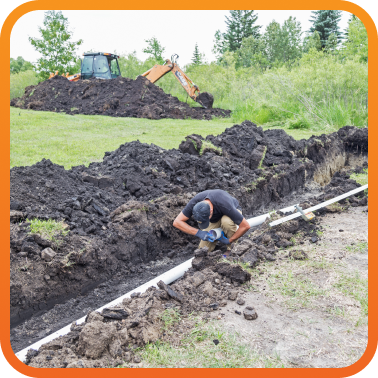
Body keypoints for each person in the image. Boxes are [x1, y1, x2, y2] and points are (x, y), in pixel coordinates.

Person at [173, 189, 250, 255]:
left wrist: (229, 240)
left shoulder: (224, 204)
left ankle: (232, 249)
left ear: (211, 211)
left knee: (226, 222)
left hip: (231, 213)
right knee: (203, 250)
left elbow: (245, 226)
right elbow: (177, 222)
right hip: (215, 218)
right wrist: (199, 233)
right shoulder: (195, 203)